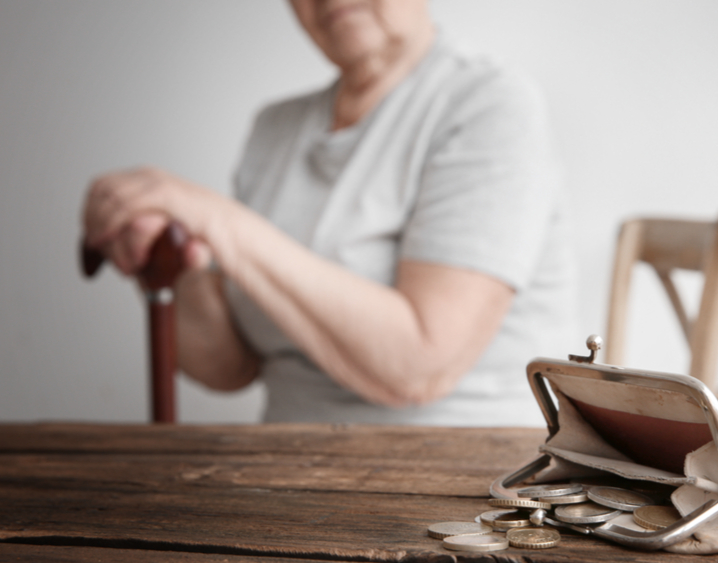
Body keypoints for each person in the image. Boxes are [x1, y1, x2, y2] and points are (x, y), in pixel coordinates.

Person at [81, 0, 576, 425]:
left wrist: (217, 219)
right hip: (291, 467)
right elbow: (229, 368)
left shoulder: (490, 103)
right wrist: (171, 258)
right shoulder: (273, 129)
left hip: (461, 479)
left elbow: (420, 367)